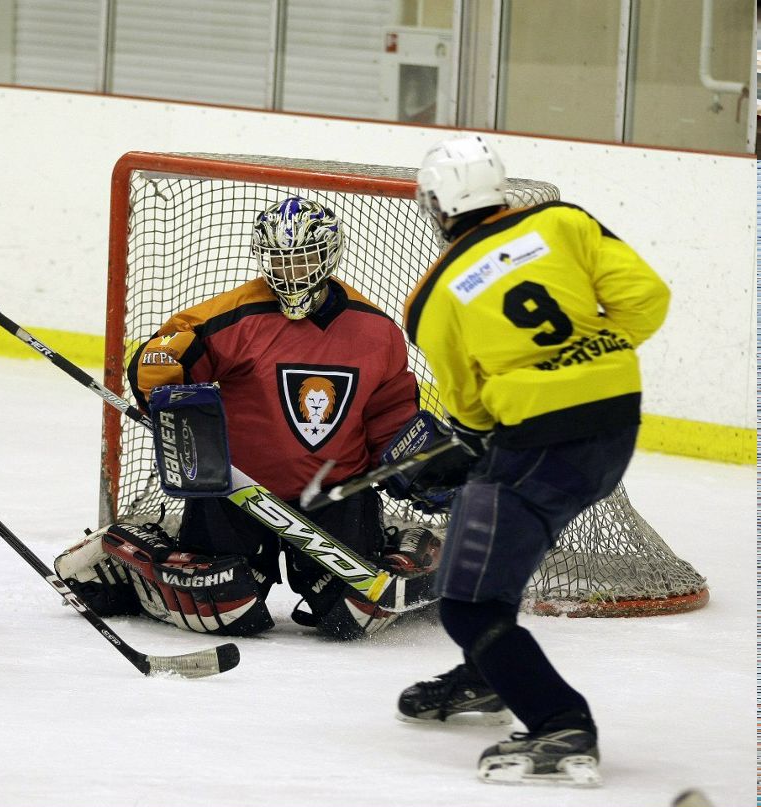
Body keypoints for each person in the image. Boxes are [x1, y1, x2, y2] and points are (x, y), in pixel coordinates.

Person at [397, 135, 670, 785]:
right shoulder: (563, 220)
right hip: (614, 426)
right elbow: (646, 298)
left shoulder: (433, 295)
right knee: (487, 540)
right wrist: (585, 356)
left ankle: (559, 721)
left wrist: (489, 421)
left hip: (542, 442)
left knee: (466, 603)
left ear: (438, 206)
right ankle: (490, 673)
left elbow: (467, 407)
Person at [55, 196, 443, 640]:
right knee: (224, 608)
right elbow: (158, 365)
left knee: (352, 615)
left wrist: (415, 464)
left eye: (304, 259)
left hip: (333, 495)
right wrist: (163, 384)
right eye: (280, 260)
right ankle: (128, 553)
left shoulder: (376, 330)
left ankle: (396, 537)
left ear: (329, 254)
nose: (291, 272)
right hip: (237, 495)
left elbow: (390, 411)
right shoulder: (233, 317)